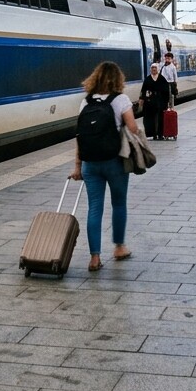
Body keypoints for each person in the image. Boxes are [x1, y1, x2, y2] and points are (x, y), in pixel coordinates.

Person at [68, 61, 137, 272]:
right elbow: (133, 128)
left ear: (95, 78)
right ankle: (119, 247)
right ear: (118, 79)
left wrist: (78, 167)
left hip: (90, 164)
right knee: (119, 203)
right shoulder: (121, 100)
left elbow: (79, 136)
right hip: (114, 161)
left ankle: (95, 258)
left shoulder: (85, 102)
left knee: (94, 208)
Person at [139, 63, 168, 142]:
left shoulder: (162, 79)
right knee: (150, 118)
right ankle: (152, 134)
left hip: (160, 101)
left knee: (160, 118)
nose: (154, 69)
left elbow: (166, 91)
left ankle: (160, 134)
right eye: (152, 68)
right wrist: (141, 99)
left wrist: (166, 102)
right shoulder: (147, 79)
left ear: (158, 69)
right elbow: (143, 90)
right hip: (149, 102)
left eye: (155, 68)